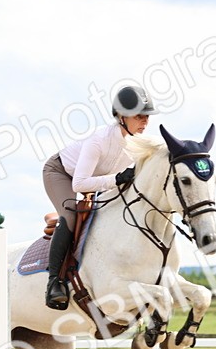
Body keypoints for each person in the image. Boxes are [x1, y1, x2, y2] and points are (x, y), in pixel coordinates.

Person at [42, 84, 157, 310]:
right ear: (121, 116)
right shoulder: (99, 140)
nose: (145, 121)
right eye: (139, 116)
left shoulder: (139, 146)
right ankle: (54, 282)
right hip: (61, 173)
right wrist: (117, 179)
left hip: (97, 180)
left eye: (147, 116)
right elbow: (79, 184)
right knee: (71, 216)